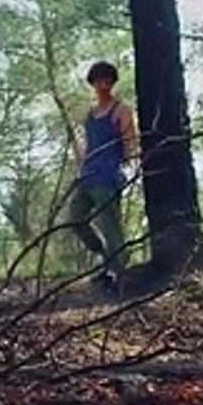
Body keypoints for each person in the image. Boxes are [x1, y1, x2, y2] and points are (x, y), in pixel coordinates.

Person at [71, 61, 139, 286]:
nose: (103, 85)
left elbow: (130, 141)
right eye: (99, 80)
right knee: (76, 218)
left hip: (109, 173)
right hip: (89, 173)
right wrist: (80, 168)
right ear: (92, 83)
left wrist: (129, 166)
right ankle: (105, 257)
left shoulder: (121, 109)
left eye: (107, 80)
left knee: (110, 224)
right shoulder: (90, 113)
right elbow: (88, 144)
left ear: (112, 82)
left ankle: (118, 272)